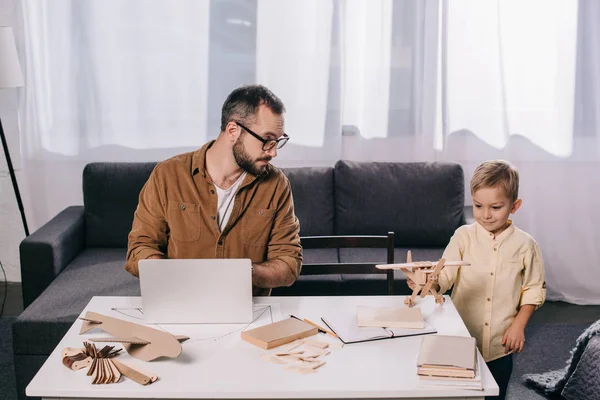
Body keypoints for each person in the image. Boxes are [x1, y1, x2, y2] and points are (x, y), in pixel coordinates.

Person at [125, 84, 302, 296]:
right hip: (177, 303)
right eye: (267, 140)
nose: (273, 152)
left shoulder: (276, 185)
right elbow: (139, 250)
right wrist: (177, 276)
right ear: (233, 131)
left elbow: (289, 263)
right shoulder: (168, 175)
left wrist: (242, 273)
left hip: (249, 312)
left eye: (278, 141)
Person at [408, 160, 546, 400]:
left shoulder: (526, 245)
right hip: (460, 335)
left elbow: (533, 289)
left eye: (495, 207)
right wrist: (427, 283)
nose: (485, 214)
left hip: (500, 344)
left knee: (496, 393)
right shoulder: (463, 236)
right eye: (478, 206)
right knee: (459, 392)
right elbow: (445, 277)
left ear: (515, 206)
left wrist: (519, 325)